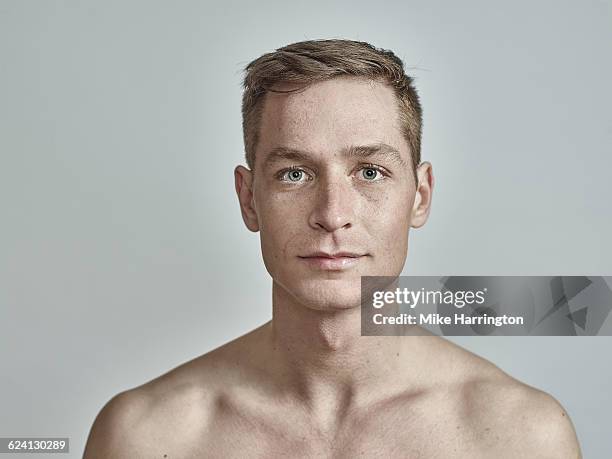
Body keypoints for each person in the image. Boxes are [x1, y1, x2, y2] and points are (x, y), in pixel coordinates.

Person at [83, 39, 581, 458]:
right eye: (294, 174)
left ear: (420, 196)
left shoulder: (521, 437)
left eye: (370, 172)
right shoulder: (144, 437)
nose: (332, 213)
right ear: (248, 199)